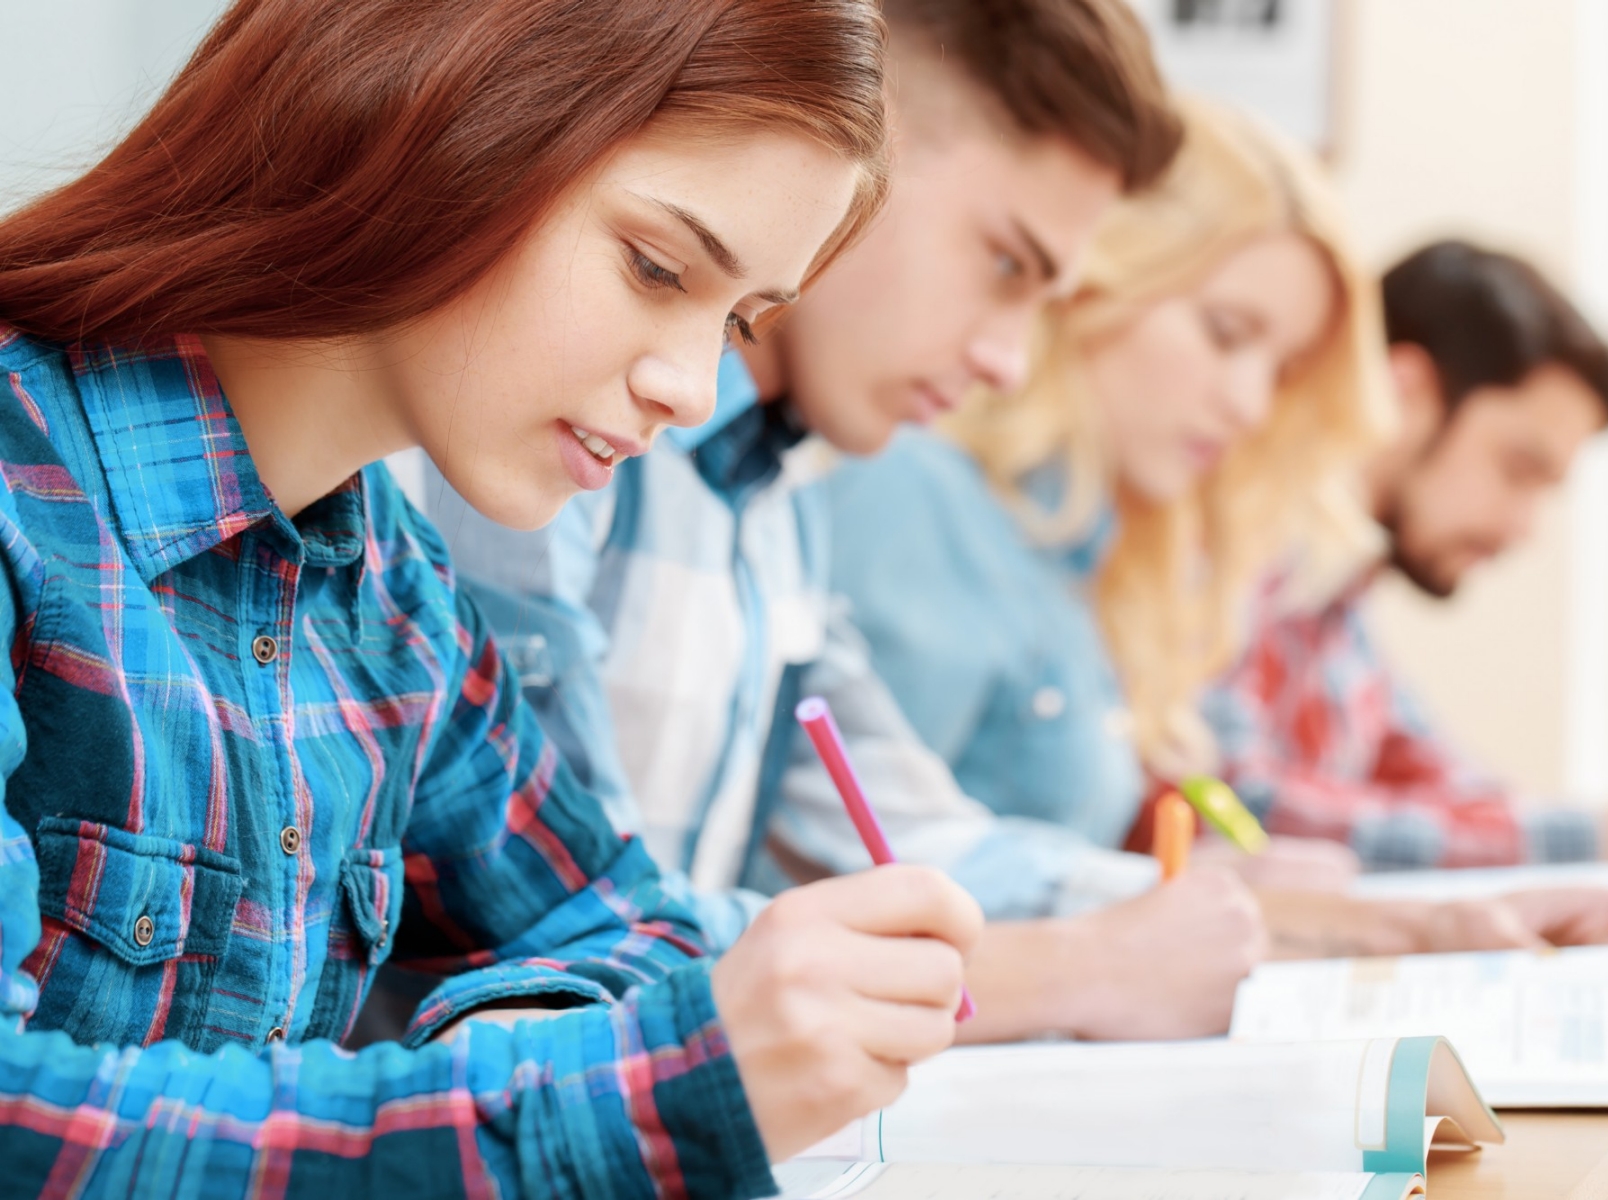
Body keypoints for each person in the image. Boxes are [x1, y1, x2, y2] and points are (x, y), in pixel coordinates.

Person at [0, 2, 987, 1195]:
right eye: (656, 266)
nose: (688, 386)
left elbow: (631, 929)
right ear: (439, 114)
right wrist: (598, 1107)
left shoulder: (396, 600)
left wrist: (523, 1052)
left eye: (735, 321)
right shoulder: (22, 497)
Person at [430, 0, 1261, 1044]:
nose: (1008, 360)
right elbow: (568, 924)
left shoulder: (772, 493)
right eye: (1006, 265)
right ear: (857, 142)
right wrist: (1069, 973)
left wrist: (1212, 915)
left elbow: (914, 832)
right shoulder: (540, 428)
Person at [811, 103, 1608, 1017]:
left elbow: (1034, 881)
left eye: (1276, 367)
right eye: (1228, 334)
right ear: (1093, 286)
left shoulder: (1098, 567)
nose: (1246, 404)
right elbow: (857, 891)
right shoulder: (919, 504)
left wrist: (1406, 926)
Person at [1204, 240, 1608, 869]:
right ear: (1406, 392)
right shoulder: (1225, 539)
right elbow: (1237, 807)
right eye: (1518, 468)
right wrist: (1584, 840)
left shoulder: (1338, 596)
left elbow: (1434, 776)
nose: (1525, 527)